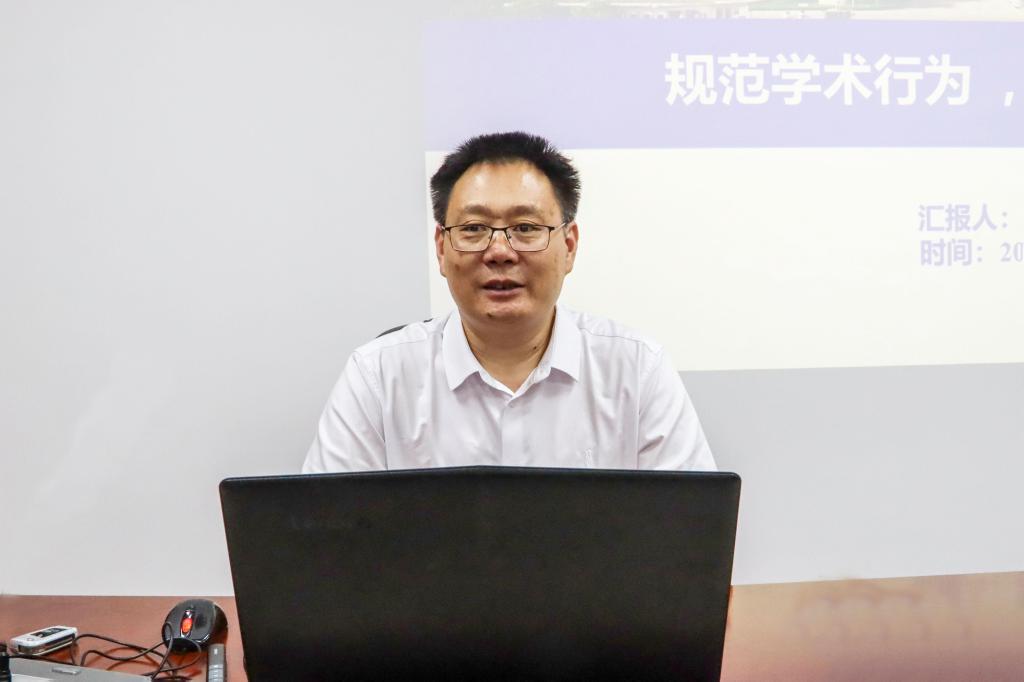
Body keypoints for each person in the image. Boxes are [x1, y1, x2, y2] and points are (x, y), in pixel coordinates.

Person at [302, 132, 715, 473]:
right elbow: (328, 532)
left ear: (569, 246)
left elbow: (686, 532)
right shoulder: (378, 376)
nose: (500, 251)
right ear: (441, 248)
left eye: (525, 227)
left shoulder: (636, 370)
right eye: (474, 228)